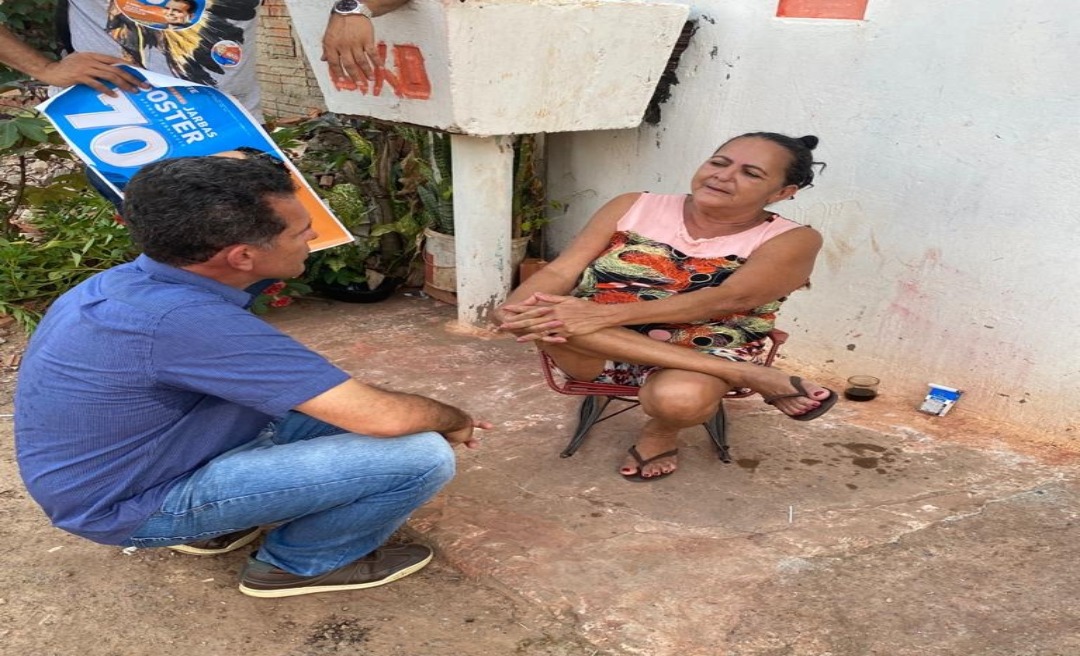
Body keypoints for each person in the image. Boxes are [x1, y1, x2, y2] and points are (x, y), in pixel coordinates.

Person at [14, 155, 491, 598]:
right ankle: (301, 563)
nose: (311, 238)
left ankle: (221, 523)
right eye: (299, 232)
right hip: (130, 503)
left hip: (139, 461)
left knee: (327, 402)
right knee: (419, 453)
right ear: (241, 257)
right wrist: (453, 419)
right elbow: (380, 418)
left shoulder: (130, 284)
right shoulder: (183, 321)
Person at [496, 132, 838, 482]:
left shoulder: (793, 238)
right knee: (539, 317)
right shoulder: (633, 205)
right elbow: (561, 269)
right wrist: (520, 305)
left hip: (703, 349)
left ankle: (660, 431)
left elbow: (729, 298)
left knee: (678, 401)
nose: (723, 175)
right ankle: (748, 375)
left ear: (782, 192)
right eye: (718, 163)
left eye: (751, 173)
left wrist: (602, 315)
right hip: (597, 348)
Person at [0, 0, 411, 117]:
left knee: (244, 258)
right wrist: (44, 69)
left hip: (227, 124)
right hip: (115, 119)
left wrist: (352, 9)